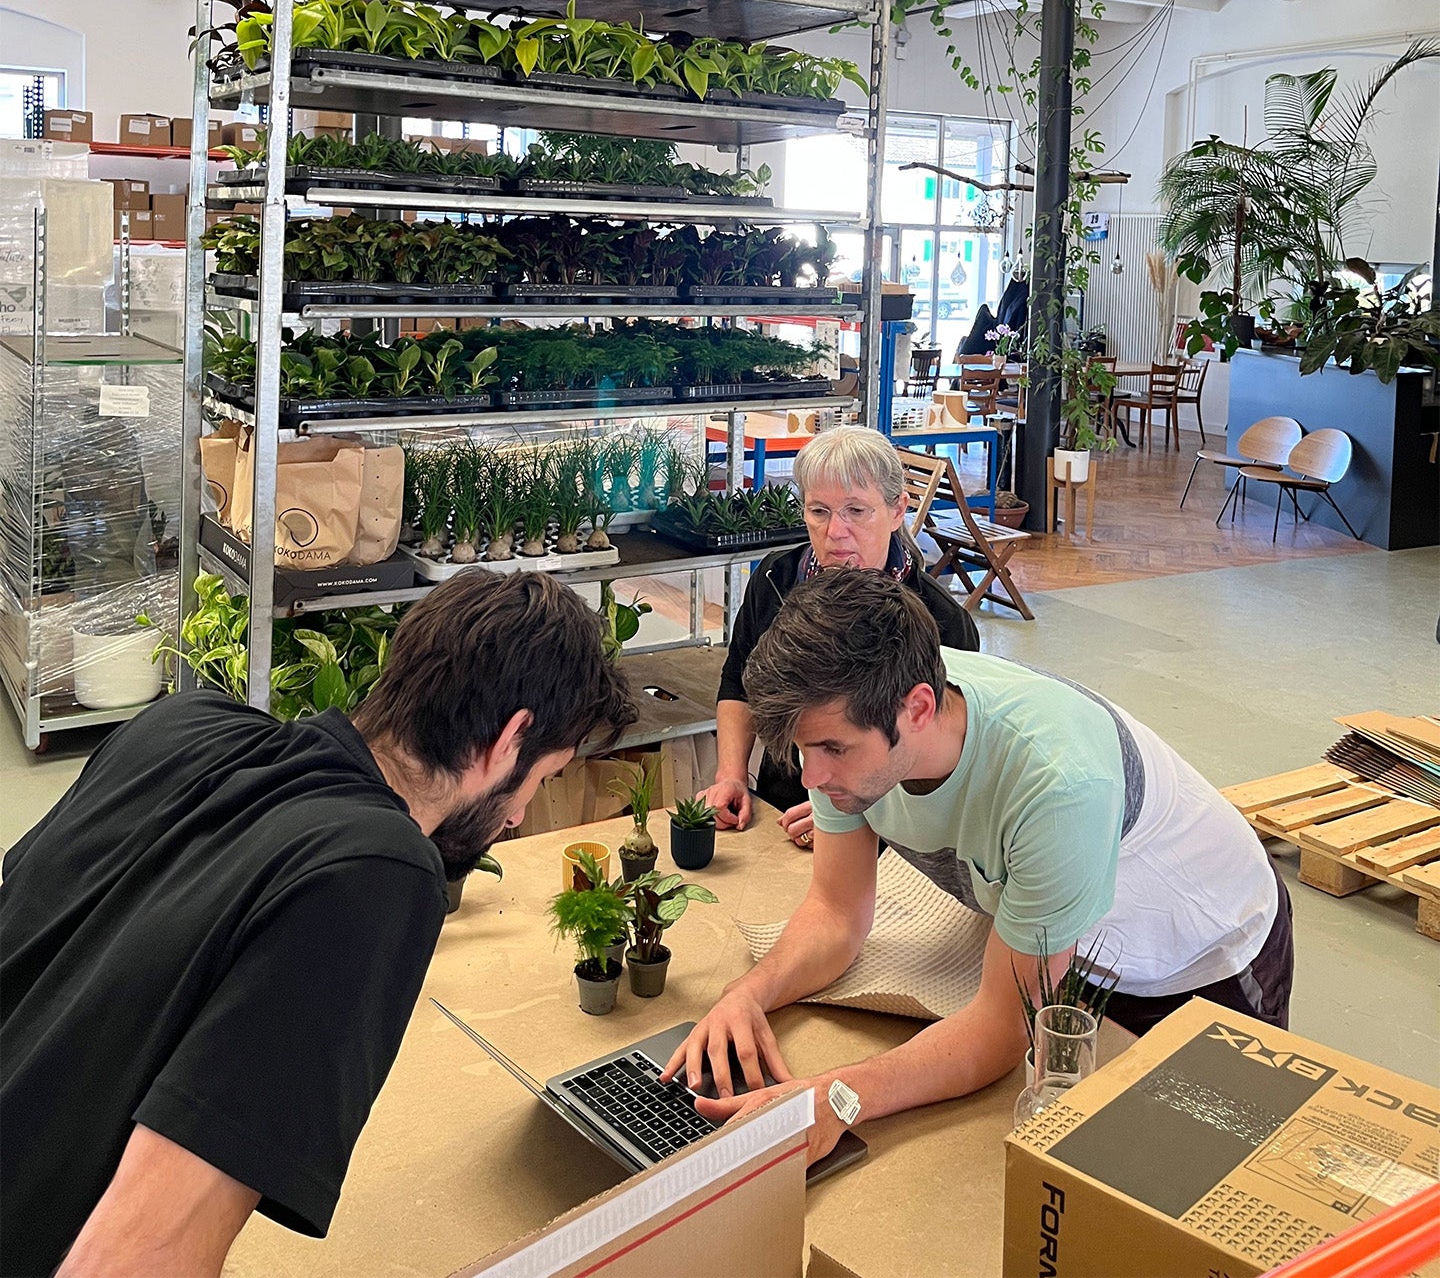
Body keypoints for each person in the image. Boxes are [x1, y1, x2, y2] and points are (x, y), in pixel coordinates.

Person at [1, 571, 635, 1278]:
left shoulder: (181, 723)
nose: (518, 817)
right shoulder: (376, 873)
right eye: (541, 778)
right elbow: (143, 1253)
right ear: (511, 738)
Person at [668, 570, 1290, 1164]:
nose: (812, 777)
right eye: (805, 749)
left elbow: (1002, 1025)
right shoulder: (856, 723)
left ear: (916, 709)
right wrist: (746, 995)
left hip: (1200, 955)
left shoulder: (1057, 784)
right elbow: (835, 912)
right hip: (1064, 946)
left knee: (1200, 1173)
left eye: (832, 749)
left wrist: (839, 1097)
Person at [698, 427, 978, 849]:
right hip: (782, 808)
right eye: (819, 511)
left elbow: (946, 758)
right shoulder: (777, 580)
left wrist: (853, 810)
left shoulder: (941, 622)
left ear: (897, 509)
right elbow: (738, 680)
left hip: (887, 837)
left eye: (856, 511)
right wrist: (732, 775)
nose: (835, 533)